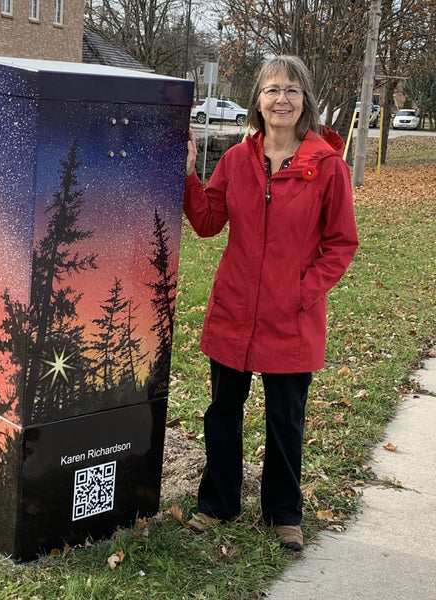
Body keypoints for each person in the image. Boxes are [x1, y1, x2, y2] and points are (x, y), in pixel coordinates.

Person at [183, 55, 358, 552]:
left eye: (292, 90)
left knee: (285, 420)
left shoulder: (326, 167)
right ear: (257, 101)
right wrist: (189, 176)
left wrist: (303, 292)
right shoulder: (238, 160)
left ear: (305, 101)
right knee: (222, 412)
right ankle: (218, 502)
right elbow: (209, 221)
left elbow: (341, 243)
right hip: (234, 312)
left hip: (291, 319)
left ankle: (284, 512)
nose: (282, 99)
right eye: (272, 89)